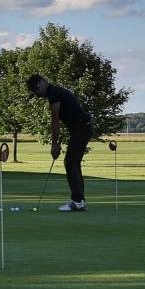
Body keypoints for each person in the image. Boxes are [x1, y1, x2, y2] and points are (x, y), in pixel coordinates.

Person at [27, 73, 92, 212]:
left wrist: (55, 144)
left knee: (70, 162)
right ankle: (80, 200)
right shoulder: (55, 92)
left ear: (42, 83)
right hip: (81, 127)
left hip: (81, 127)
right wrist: (59, 140)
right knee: (74, 162)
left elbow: (55, 120)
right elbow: (67, 117)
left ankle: (78, 201)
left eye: (36, 90)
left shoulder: (53, 94)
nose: (37, 94)